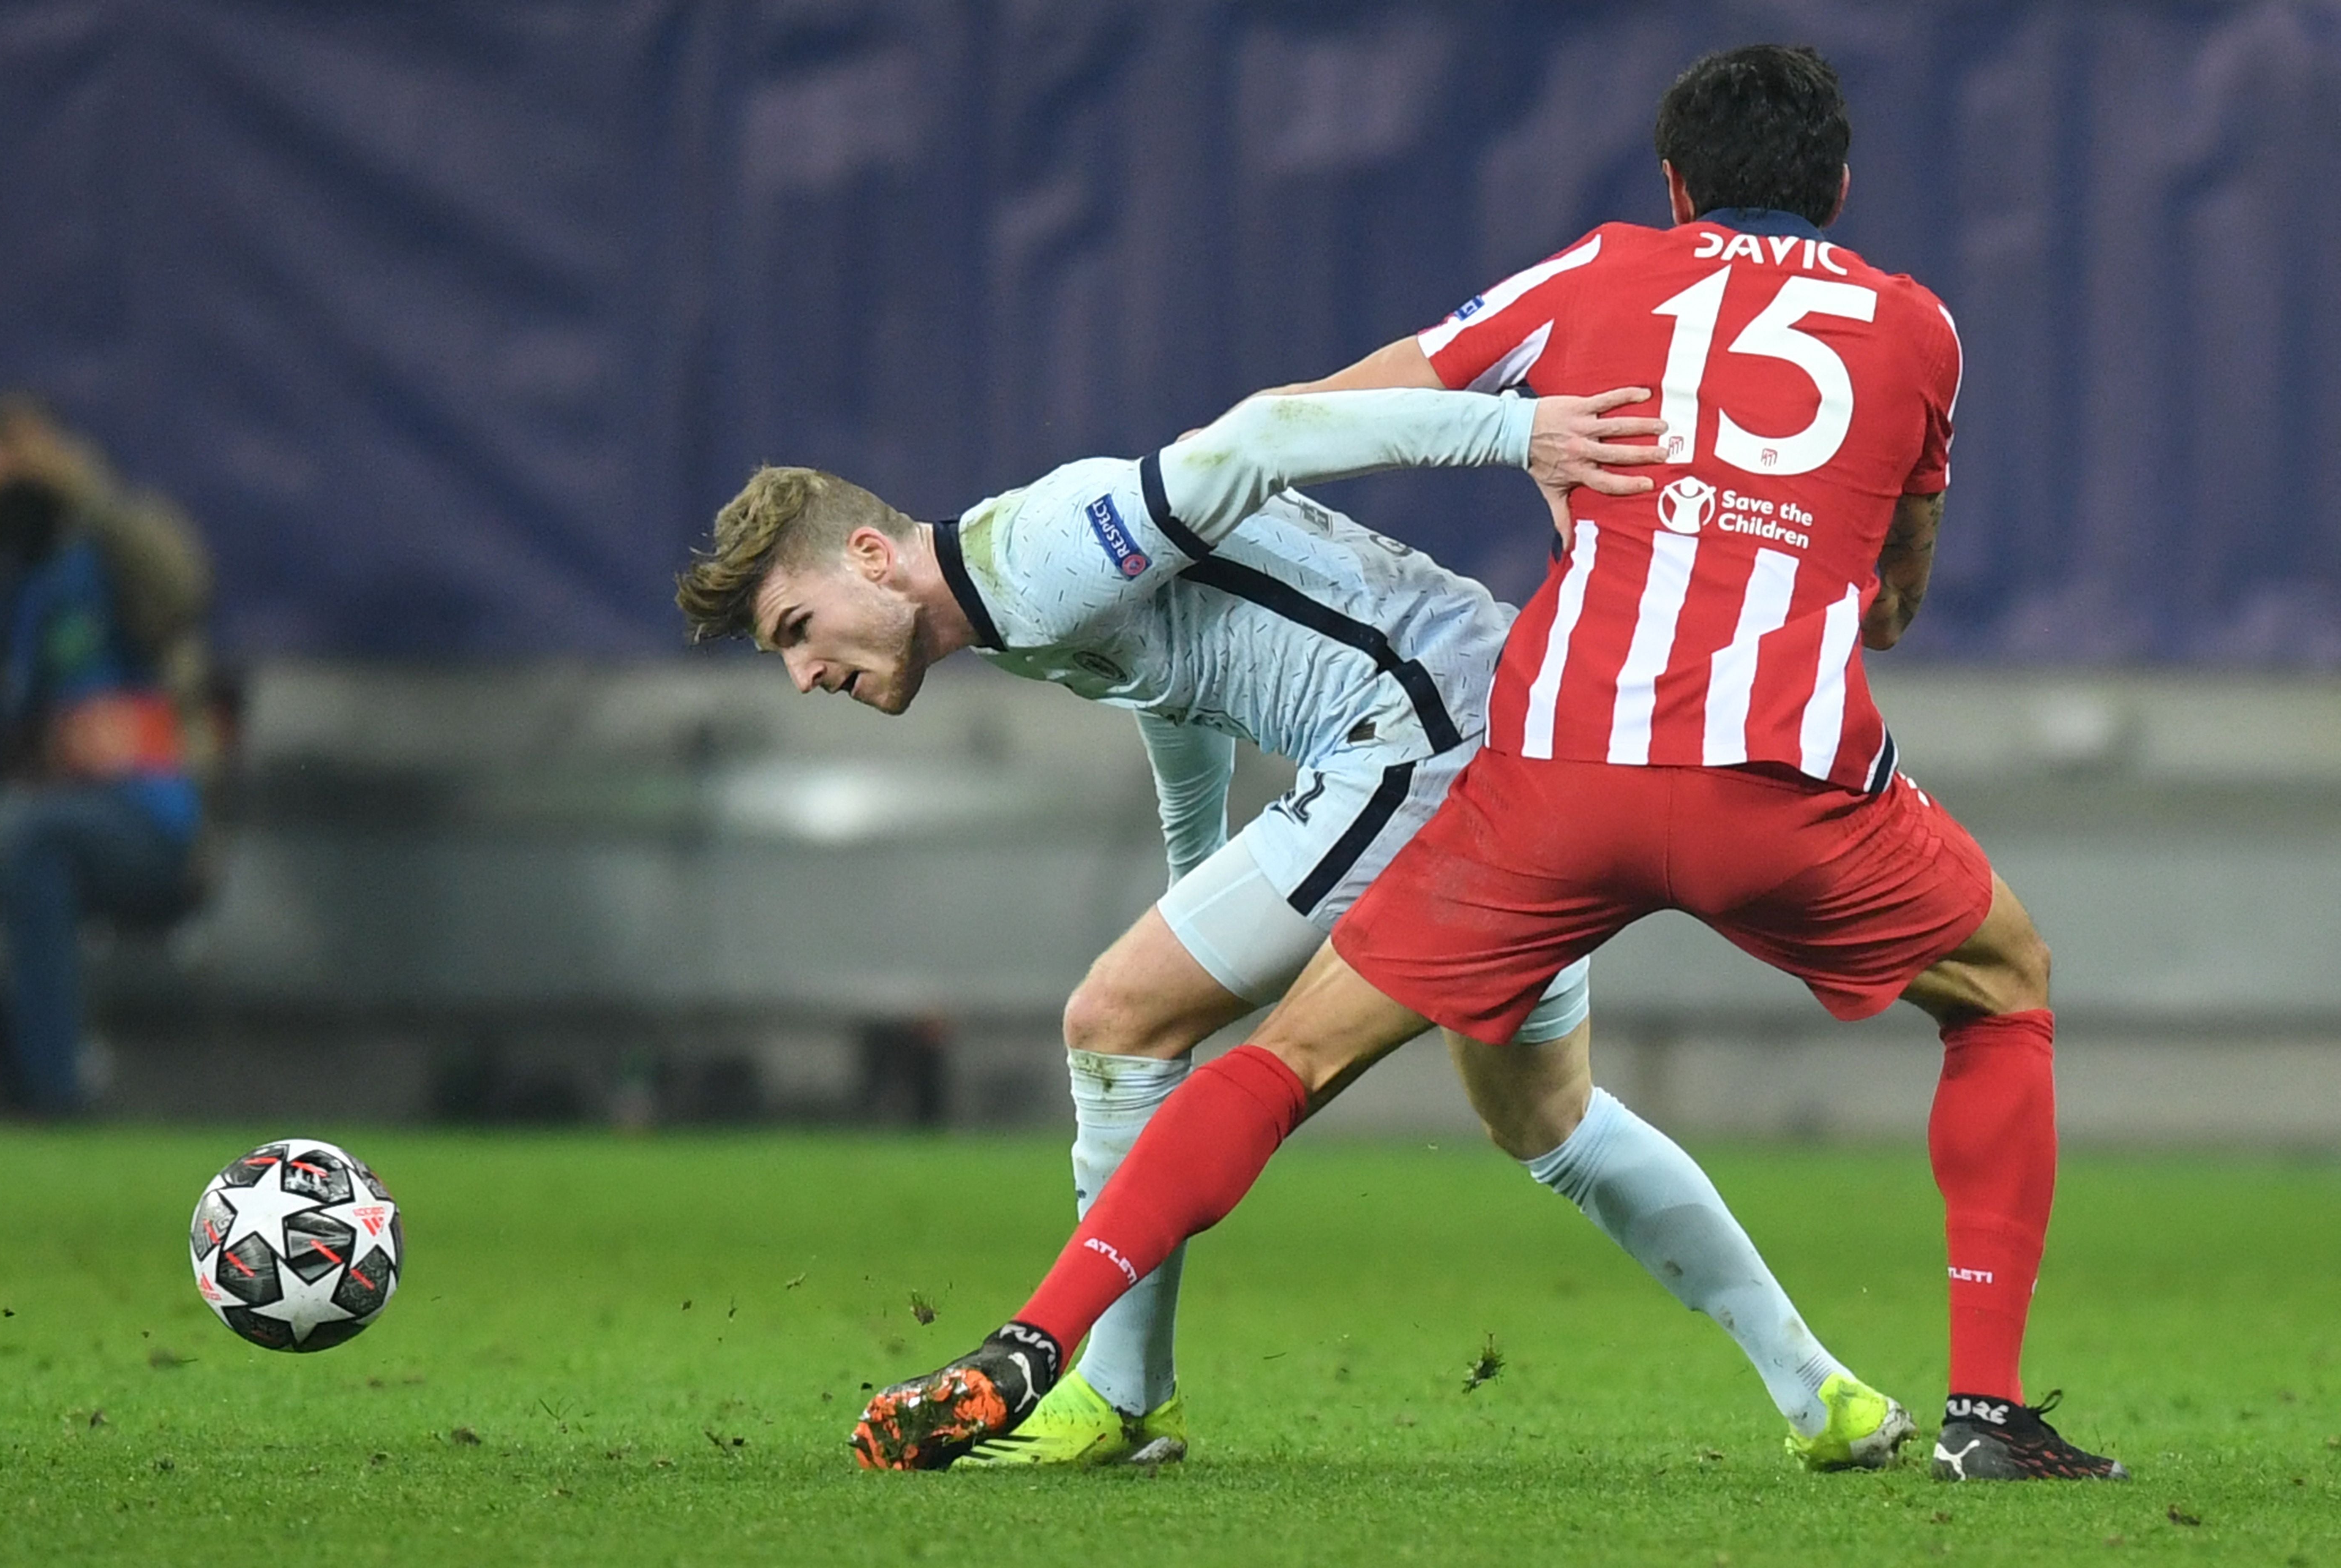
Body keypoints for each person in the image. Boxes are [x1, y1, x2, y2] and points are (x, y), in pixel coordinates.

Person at [853, 44, 2127, 1484]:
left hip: (1544, 780)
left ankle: (1034, 1344)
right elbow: (1890, 594)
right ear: (1837, 186)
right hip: (1779, 781)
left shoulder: (1594, 272)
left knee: (1284, 1057)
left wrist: (1516, 433)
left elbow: (1333, 412)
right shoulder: (1918, 329)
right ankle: (1986, 1414)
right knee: (1999, 987)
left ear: (1671, 187)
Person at [677, 384, 1912, 1472]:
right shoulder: (1018, 602)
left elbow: (1263, 433)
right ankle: (1824, 1393)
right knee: (1547, 1116)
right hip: (1514, 730)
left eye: (797, 631)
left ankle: (1111, 1394)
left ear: (870, 559)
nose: (803, 674)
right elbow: (1176, 695)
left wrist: (1514, 428)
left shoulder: (1041, 550)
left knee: (1115, 1019)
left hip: (1423, 736)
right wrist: (1193, 877)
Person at [0, 398, 210, 1117]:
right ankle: (24, 1070)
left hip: (144, 815)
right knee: (24, 835)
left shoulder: (101, 555)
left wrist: (81, 491)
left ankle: (57, 1093)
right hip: (38, 807)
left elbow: (182, 589)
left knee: (28, 839)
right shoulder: (13, 581)